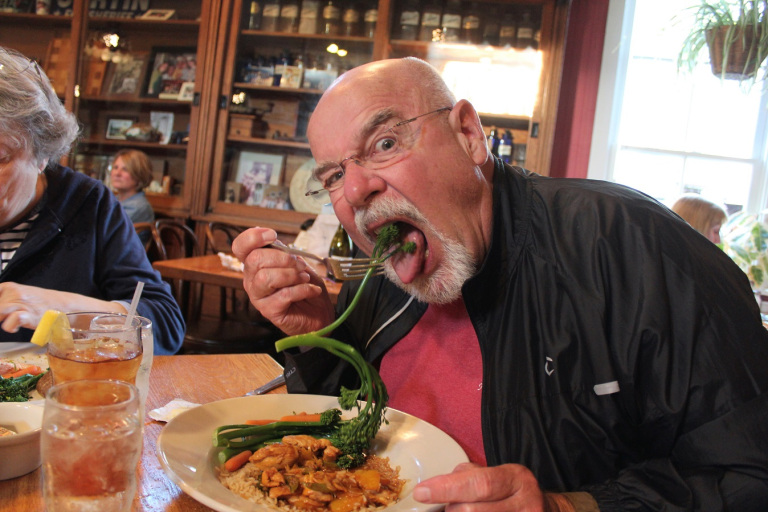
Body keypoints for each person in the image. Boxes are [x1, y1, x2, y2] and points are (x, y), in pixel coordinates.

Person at [232, 57, 768, 511]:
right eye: (332, 176)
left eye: (385, 143)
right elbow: (341, 444)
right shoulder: (382, 276)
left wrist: (567, 507)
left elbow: (748, 474)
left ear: (468, 135)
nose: (353, 190)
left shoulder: (633, 247)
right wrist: (319, 335)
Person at [0, 46, 185, 355]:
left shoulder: (89, 204)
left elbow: (165, 326)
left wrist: (66, 311)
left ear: (43, 153)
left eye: (0, 158)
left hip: (57, 384)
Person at [110, 148, 155, 225]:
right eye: (115, 167)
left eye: (125, 169)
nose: (117, 173)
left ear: (139, 175)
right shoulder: (114, 200)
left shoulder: (137, 207)